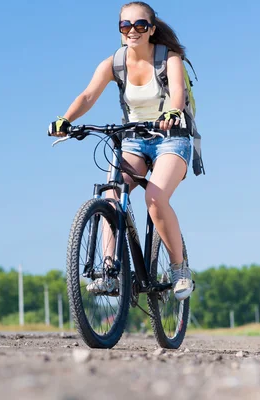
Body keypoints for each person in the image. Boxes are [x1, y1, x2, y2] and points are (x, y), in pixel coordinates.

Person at [47, 1, 194, 301]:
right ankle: (109, 270)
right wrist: (66, 120)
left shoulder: (170, 59)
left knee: (154, 197)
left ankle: (179, 269)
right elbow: (88, 95)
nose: (133, 31)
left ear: (151, 29)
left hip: (171, 137)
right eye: (125, 26)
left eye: (140, 25)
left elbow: (177, 93)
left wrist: (173, 112)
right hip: (133, 140)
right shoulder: (114, 63)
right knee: (112, 195)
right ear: (120, 31)